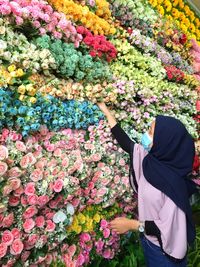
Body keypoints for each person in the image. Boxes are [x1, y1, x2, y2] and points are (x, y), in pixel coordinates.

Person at [97, 102, 198, 267]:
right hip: (150, 244)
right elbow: (128, 144)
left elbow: (165, 228)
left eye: (151, 132)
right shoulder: (152, 161)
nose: (146, 135)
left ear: (165, 142)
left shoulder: (173, 185)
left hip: (165, 253)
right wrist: (106, 111)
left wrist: (131, 225)